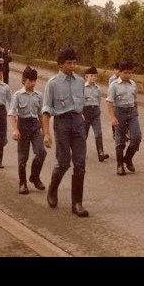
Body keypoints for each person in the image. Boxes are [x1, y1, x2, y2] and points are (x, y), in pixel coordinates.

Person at [41, 47, 89, 217]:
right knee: (63, 162)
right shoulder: (52, 83)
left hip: (77, 122)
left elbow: (83, 106)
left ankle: (77, 203)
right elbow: (46, 110)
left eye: (74, 62)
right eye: (69, 63)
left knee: (80, 163)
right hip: (61, 123)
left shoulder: (80, 82)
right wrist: (46, 133)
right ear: (60, 65)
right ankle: (53, 189)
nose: (72, 66)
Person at [8, 66, 47, 194]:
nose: (33, 83)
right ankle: (22, 182)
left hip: (35, 126)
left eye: (35, 81)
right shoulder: (18, 95)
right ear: (24, 81)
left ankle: (35, 177)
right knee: (23, 158)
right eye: (30, 81)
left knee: (41, 152)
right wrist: (15, 130)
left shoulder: (38, 95)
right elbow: (12, 113)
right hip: (23, 126)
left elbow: (42, 114)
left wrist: (46, 132)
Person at [106, 60, 142, 176]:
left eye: (130, 73)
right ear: (120, 72)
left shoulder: (133, 84)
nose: (128, 75)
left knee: (136, 137)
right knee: (120, 139)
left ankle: (128, 158)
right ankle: (120, 164)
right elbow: (110, 102)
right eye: (126, 73)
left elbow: (135, 100)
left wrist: (136, 112)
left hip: (131, 112)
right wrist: (112, 117)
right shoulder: (114, 85)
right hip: (119, 112)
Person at [83, 66, 110, 162]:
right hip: (85, 112)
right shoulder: (83, 88)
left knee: (98, 133)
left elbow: (98, 101)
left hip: (95, 112)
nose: (94, 78)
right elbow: (80, 101)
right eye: (91, 76)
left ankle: (101, 153)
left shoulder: (98, 89)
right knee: (83, 134)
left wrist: (97, 110)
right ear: (86, 77)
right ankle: (80, 152)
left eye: (95, 76)